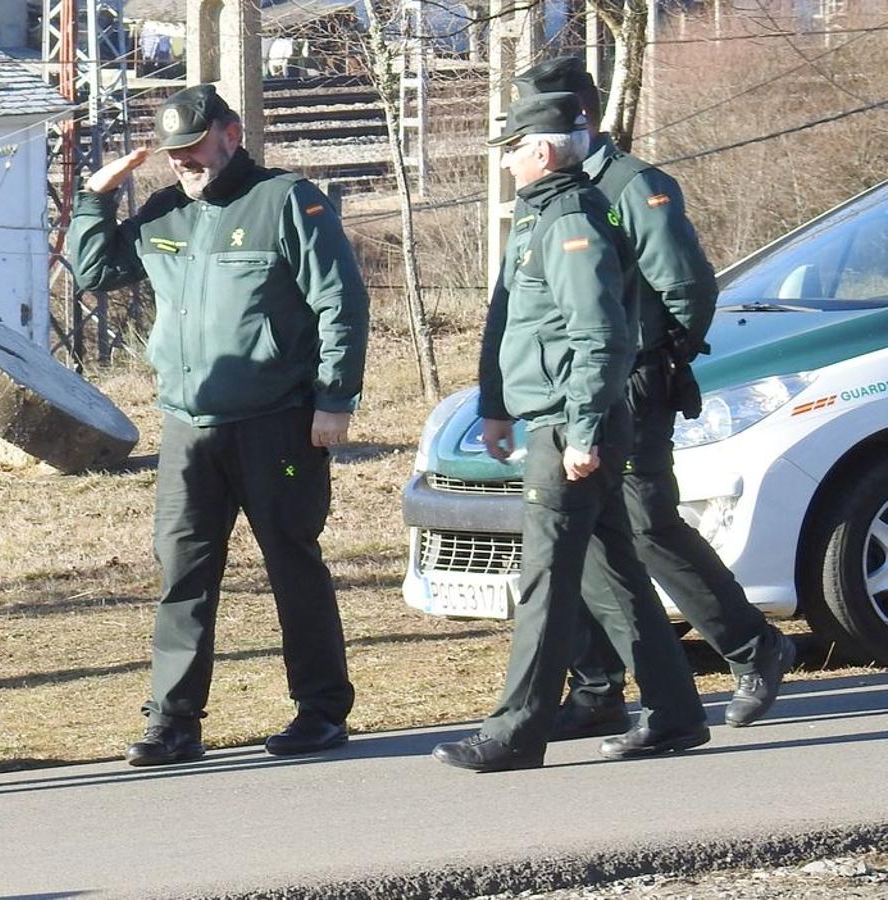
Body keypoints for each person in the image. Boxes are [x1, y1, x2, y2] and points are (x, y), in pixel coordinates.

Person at [68, 84, 370, 766]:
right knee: (182, 573)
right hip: (187, 427)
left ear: (231, 134)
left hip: (277, 421)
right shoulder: (167, 212)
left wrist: (336, 399)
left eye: (195, 148)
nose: (184, 163)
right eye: (174, 153)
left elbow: (340, 301)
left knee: (293, 564)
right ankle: (174, 722)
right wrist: (96, 196)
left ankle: (321, 711)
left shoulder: (288, 201)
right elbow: (93, 270)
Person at [514, 57, 796, 741]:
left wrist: (661, 362)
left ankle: (754, 647)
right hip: (574, 390)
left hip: (630, 379)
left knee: (644, 523)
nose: (525, 143)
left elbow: (689, 288)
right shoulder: (555, 196)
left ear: (575, 118)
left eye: (535, 125)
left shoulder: (632, 186)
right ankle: (599, 689)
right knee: (581, 531)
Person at [432, 93, 710, 772]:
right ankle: (675, 713)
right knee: (614, 573)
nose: (504, 162)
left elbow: (601, 334)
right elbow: (515, 325)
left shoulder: (571, 219)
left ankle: (516, 731)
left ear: (545, 150)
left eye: (512, 149)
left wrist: (583, 428)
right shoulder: (540, 217)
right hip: (553, 418)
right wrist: (497, 406)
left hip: (571, 426)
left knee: (546, 583)